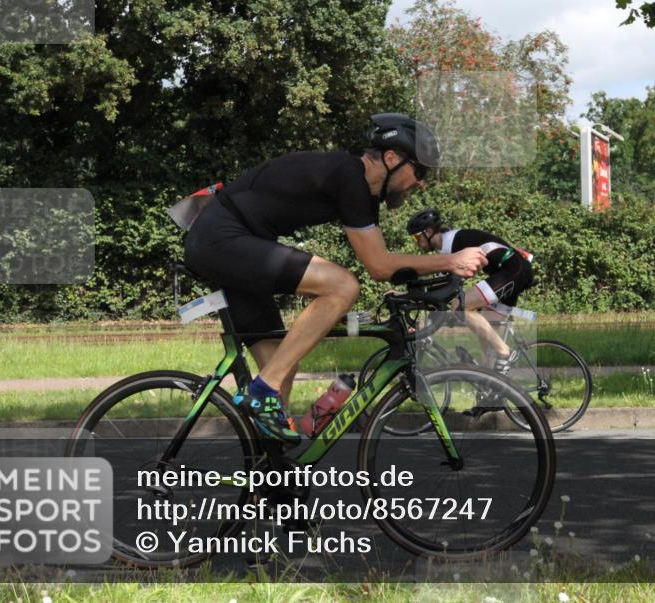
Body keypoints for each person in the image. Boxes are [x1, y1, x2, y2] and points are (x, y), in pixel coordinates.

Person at [183, 114, 487, 443]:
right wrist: (450, 260)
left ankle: (269, 481)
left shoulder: (363, 196)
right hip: (221, 238)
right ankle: (261, 388)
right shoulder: (348, 175)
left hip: (234, 245)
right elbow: (379, 266)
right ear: (392, 159)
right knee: (342, 286)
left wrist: (432, 276)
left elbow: (381, 263)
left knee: (283, 369)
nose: (422, 183)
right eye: (420, 171)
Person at [406, 208, 533, 369]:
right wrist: (421, 317)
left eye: (416, 237)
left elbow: (444, 290)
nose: (417, 243)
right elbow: (439, 290)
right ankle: (490, 380)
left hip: (513, 270)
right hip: (512, 271)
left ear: (429, 232)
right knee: (485, 329)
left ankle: (506, 353)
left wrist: (412, 303)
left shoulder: (451, 243)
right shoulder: (449, 245)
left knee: (461, 307)